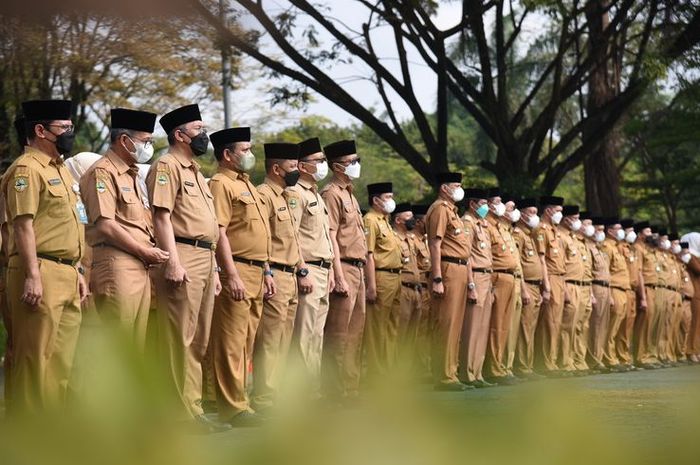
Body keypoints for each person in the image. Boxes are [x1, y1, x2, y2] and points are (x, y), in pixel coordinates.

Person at [2, 99, 88, 413]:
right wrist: (32, 276)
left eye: (70, 127)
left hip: (66, 272)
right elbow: (22, 225)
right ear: (40, 130)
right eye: (63, 128)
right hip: (39, 269)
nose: (69, 133)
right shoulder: (26, 169)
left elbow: (69, 225)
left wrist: (77, 271)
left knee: (61, 358)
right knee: (34, 356)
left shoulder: (62, 170)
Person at [146, 104, 227, 432]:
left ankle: (192, 408)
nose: (204, 135)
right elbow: (161, 217)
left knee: (199, 338)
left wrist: (218, 269)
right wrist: (172, 261)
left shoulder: (195, 170)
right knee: (180, 336)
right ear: (179, 135)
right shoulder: (167, 165)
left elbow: (210, 226)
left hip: (206, 259)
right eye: (198, 129)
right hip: (183, 254)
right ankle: (178, 412)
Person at [80, 108, 168, 349]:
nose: (149, 147)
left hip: (138, 265)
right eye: (145, 141)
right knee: (120, 346)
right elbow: (105, 225)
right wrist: (143, 250)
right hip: (116, 264)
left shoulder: (130, 175)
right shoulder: (103, 172)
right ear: (124, 140)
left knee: (135, 348)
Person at [207, 127, 270, 426]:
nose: (250, 155)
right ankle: (233, 406)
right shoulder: (221, 184)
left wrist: (267, 270)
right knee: (231, 341)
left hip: (258, 270)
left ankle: (242, 400)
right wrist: (230, 273)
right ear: (227, 154)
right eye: (244, 150)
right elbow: (220, 231)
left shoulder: (248, 185)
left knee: (246, 342)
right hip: (239, 268)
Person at [251, 142, 303, 411]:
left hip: (291, 275)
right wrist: (267, 271)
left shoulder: (285, 195)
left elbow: (291, 238)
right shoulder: (264, 194)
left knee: (284, 340)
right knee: (269, 341)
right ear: (275, 168)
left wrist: (301, 269)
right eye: (292, 167)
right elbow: (263, 238)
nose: (296, 171)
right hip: (276, 274)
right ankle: (264, 397)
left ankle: (278, 393)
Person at [320, 139, 367, 403]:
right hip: (344, 267)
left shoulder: (349, 193)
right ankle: (334, 390)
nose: (355, 166)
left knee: (355, 334)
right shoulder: (331, 193)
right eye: (351, 162)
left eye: (356, 160)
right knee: (338, 333)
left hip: (358, 268)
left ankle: (350, 388)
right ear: (337, 166)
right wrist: (337, 275)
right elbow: (332, 237)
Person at [289, 137, 334, 398]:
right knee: (303, 336)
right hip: (309, 269)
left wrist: (329, 270)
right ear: (302, 166)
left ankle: (314, 392)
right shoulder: (296, 193)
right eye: (318, 161)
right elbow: (292, 234)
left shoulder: (315, 193)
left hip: (323, 269)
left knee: (316, 336)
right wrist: (302, 269)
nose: (323, 165)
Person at [424, 173, 472, 391]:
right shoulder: (440, 209)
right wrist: (437, 278)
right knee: (447, 323)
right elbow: (435, 244)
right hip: (448, 268)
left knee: (455, 325)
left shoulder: (452, 210)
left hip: (460, 268)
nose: (460, 189)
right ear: (444, 188)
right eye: (456, 185)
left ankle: (451, 372)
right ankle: (444, 375)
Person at [363, 182, 403, 380]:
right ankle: (376, 374)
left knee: (392, 327)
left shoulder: (386, 221)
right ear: (376, 200)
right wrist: (371, 285)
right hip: (381, 276)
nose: (391, 201)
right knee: (377, 329)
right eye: (387, 197)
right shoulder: (370, 220)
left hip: (396, 277)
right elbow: (369, 254)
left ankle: (388, 372)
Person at [484, 188, 520, 385]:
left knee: (504, 327)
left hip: (510, 278)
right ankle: (494, 369)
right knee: (495, 326)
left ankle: (501, 367)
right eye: (497, 202)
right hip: (496, 278)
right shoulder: (487, 226)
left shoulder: (502, 228)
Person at [459, 188, 494, 388]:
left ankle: (478, 372)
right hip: (477, 276)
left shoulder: (482, 224)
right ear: (472, 204)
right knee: (472, 327)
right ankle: (467, 372)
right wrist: (471, 283)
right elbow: (467, 256)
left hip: (487, 277)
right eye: (482, 203)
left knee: (482, 327)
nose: (486, 207)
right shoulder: (467, 223)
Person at [512, 198, 544, 379]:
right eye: (531, 213)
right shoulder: (518, 234)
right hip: (527, 285)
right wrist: (524, 289)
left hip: (535, 286)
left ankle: (528, 365)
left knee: (530, 328)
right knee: (524, 328)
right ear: (522, 214)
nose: (535, 216)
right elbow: (518, 265)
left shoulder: (529, 235)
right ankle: (523, 367)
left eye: (535, 212)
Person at [534, 196, 567, 376]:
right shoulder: (541, 229)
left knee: (556, 322)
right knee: (549, 322)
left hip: (560, 279)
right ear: (548, 211)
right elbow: (542, 259)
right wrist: (546, 284)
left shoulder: (555, 231)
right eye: (558, 211)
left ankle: (552, 361)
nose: (560, 215)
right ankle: (546, 363)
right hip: (551, 278)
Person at [391, 203, 423, 369]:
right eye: (408, 217)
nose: (413, 220)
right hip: (403, 288)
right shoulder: (393, 239)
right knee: (400, 332)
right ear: (398, 220)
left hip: (416, 290)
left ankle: (407, 372)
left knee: (412, 335)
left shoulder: (410, 239)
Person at [600, 218, 630, 372]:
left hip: (624, 290)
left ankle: (615, 356)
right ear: (610, 231)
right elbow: (606, 271)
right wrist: (609, 294)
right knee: (610, 327)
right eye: (618, 229)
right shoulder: (607, 246)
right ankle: (609, 358)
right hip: (615, 290)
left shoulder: (618, 247)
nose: (621, 232)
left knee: (617, 327)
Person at [559, 205, 585, 374]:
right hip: (567, 283)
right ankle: (564, 362)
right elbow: (559, 265)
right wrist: (564, 289)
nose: (577, 222)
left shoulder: (573, 238)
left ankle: (572, 360)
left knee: (575, 326)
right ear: (566, 218)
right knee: (566, 326)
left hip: (579, 285)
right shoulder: (560, 237)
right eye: (575, 219)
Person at [616, 219, 644, 369]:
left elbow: (638, 273)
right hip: (623, 289)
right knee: (622, 326)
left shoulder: (631, 249)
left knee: (628, 327)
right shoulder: (620, 247)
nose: (632, 234)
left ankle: (626, 357)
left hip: (632, 291)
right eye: (629, 231)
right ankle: (621, 358)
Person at [587, 217, 612, 373]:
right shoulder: (588, 248)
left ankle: (599, 356)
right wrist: (591, 293)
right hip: (595, 287)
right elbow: (587, 273)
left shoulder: (600, 249)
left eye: (603, 230)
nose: (600, 233)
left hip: (606, 288)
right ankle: (593, 359)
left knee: (603, 325)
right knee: (594, 325)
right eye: (598, 230)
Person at [572, 211, 595, 374]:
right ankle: (568, 361)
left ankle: (579, 361)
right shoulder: (570, 240)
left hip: (586, 286)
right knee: (572, 325)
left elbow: (588, 271)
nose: (589, 228)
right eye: (585, 223)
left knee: (583, 326)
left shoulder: (585, 243)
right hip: (572, 285)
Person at [634, 221, 660, 368]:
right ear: (640, 234)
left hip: (653, 288)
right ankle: (640, 357)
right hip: (646, 289)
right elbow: (639, 274)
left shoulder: (648, 249)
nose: (651, 235)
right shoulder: (638, 248)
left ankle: (648, 355)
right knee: (643, 324)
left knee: (650, 324)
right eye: (648, 232)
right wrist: (643, 296)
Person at [411, 204, 432, 378]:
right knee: (416, 331)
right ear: (418, 222)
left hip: (428, 289)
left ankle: (425, 367)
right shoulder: (412, 239)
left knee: (426, 331)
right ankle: (417, 369)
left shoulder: (426, 240)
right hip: (418, 288)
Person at [680, 232, 700, 362]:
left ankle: (696, 349)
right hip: (694, 294)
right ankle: (691, 350)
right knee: (693, 323)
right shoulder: (688, 256)